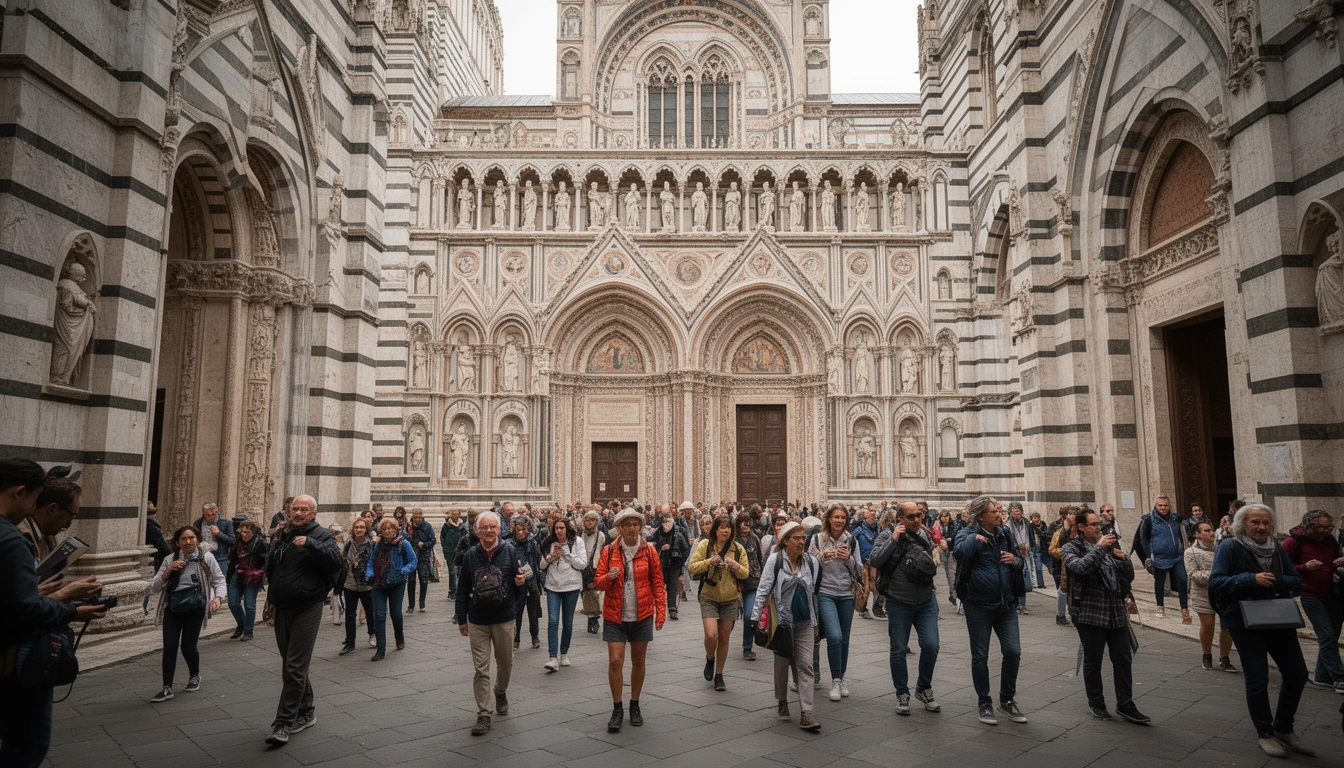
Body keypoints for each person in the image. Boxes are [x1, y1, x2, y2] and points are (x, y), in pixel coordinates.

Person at [0, 458, 106, 767]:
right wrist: (69, 605)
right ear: (20, 492)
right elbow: (24, 607)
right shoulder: (12, 539)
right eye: (34, 498)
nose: (31, 508)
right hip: (16, 652)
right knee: (29, 745)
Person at [1208, 503, 1312, 758]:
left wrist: (1275, 580)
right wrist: (1250, 579)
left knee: (1297, 674)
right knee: (1258, 678)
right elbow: (1216, 581)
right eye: (1255, 522)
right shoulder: (1230, 547)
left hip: (1277, 617)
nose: (1261, 527)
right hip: (1244, 620)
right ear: (1243, 524)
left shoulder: (1277, 547)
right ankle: (1265, 733)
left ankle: (1283, 728)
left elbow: (1296, 581)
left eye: (1265, 522)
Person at [262, 494, 343, 746]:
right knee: (290, 664)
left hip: (308, 606)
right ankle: (306, 711)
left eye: (304, 510)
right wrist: (271, 602)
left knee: (294, 667)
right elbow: (274, 570)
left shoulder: (322, 535)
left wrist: (311, 544)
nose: (298, 513)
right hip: (282, 606)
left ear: (314, 513)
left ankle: (283, 723)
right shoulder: (282, 535)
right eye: (295, 509)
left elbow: (336, 562)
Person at [1062, 508, 1148, 723]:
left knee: (1123, 658)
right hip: (1089, 611)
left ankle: (1125, 704)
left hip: (1115, 610)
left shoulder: (1109, 545)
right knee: (1093, 660)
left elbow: (1127, 578)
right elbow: (1081, 567)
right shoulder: (1071, 547)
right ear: (1081, 527)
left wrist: (1125, 560)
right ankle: (1097, 703)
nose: (1098, 528)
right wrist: (1100, 548)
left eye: (1099, 524)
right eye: (1093, 524)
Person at [954, 495, 1028, 726]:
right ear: (980, 516)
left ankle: (1007, 699)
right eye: (994, 511)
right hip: (978, 605)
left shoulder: (1004, 534)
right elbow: (958, 553)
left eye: (999, 510)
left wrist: (1015, 560)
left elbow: (1021, 561)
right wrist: (972, 540)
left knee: (1013, 651)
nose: (999, 514)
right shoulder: (967, 533)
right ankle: (984, 701)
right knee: (980, 656)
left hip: (1006, 604)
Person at [595, 508, 666, 732]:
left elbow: (658, 582)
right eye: (627, 525)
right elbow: (598, 582)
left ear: (641, 527)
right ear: (620, 528)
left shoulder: (649, 551)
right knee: (615, 661)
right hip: (615, 614)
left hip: (641, 614)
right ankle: (617, 707)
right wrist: (609, 577)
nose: (632, 528)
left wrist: (661, 611)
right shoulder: (609, 551)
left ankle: (634, 703)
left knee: (638, 660)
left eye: (636, 524)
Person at [869, 501, 942, 716]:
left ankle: (923, 687)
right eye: (911, 517)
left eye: (919, 515)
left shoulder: (925, 534)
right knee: (898, 649)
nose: (917, 520)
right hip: (899, 600)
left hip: (926, 600)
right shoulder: (887, 534)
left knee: (931, 645)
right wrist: (893, 539)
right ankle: (902, 692)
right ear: (899, 518)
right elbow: (875, 560)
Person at [456, 511, 524, 736]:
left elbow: (518, 584)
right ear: (477, 531)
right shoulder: (470, 555)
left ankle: (500, 690)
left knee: (505, 663)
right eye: (484, 527)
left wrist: (521, 582)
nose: (488, 531)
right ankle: (484, 713)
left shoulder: (509, 550)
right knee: (481, 668)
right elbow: (462, 588)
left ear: (499, 530)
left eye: (492, 527)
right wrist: (462, 618)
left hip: (504, 618)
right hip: (478, 620)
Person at [755, 521, 822, 732]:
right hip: (782, 623)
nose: (801, 542)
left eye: (803, 538)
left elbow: (813, 595)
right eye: (796, 538)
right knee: (782, 663)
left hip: (805, 622)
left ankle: (806, 713)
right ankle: (782, 700)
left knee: (806, 665)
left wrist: (816, 623)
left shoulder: (812, 562)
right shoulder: (775, 560)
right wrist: (754, 619)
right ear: (785, 541)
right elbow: (763, 589)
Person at [148, 524, 227, 703]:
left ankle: (194, 675)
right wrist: (169, 570)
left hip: (195, 607)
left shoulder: (206, 557)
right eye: (183, 539)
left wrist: (218, 598)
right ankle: (167, 687)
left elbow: (219, 579)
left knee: (188, 646)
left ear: (197, 540)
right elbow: (154, 587)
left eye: (191, 538)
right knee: (169, 646)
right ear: (177, 542)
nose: (188, 542)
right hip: (173, 607)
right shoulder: (169, 559)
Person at [1283, 510, 1344, 692]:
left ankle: (1322, 676)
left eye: (1330, 526)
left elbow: (1332, 561)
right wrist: (1304, 567)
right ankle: (1339, 677)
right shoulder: (1293, 542)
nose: (1327, 530)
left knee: (1331, 637)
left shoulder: (1329, 540)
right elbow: (1282, 567)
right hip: (1310, 595)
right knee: (1326, 635)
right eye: (1322, 527)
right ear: (1309, 525)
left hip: (1333, 594)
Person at [808, 503, 863, 702]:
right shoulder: (817, 539)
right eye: (836, 517)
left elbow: (859, 569)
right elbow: (809, 564)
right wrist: (822, 556)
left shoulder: (851, 540)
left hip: (847, 594)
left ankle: (840, 679)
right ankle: (835, 680)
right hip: (826, 592)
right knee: (835, 636)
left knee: (845, 639)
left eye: (843, 517)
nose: (839, 521)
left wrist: (848, 558)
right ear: (829, 519)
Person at [688, 514, 749, 691]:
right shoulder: (705, 545)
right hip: (709, 596)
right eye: (722, 527)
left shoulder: (737, 549)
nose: (725, 530)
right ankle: (710, 658)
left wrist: (736, 566)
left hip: (730, 598)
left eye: (728, 527)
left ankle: (719, 674)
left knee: (724, 638)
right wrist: (710, 561)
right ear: (715, 530)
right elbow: (692, 567)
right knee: (711, 635)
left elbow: (745, 572)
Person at [1185, 519, 1236, 672]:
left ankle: (1225, 657)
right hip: (1202, 593)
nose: (1211, 533)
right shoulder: (1190, 552)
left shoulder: (1221, 549)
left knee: (1227, 626)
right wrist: (1217, 575)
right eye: (1206, 530)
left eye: (1212, 530)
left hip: (1223, 592)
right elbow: (1193, 575)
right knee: (1208, 625)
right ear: (1197, 534)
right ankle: (1206, 655)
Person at [366, 518, 417, 661]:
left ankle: (399, 637)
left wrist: (403, 570)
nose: (387, 531)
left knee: (395, 614)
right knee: (379, 615)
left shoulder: (403, 544)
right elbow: (371, 561)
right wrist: (369, 574)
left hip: (397, 583)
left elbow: (413, 561)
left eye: (390, 528)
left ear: (396, 529)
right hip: (379, 583)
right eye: (384, 529)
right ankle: (381, 648)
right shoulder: (378, 544)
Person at [539, 517, 586, 671]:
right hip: (553, 586)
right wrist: (550, 557)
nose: (559, 531)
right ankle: (552, 657)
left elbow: (583, 564)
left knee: (567, 622)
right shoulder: (548, 543)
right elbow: (541, 565)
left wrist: (567, 554)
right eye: (556, 528)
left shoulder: (577, 541)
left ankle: (564, 653)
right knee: (552, 621)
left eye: (561, 528)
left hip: (571, 586)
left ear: (567, 529)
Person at [1138, 495, 1190, 623]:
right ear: (1156, 506)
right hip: (1159, 556)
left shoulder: (1176, 518)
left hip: (1177, 556)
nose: (1163, 508)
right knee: (1160, 582)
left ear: (1169, 505)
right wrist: (1149, 553)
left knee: (1183, 579)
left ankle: (1184, 608)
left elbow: (1182, 534)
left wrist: (1184, 548)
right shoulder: (1148, 519)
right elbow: (1143, 538)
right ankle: (1160, 606)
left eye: (1165, 505)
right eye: (1160, 505)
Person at [226, 520, 268, 641]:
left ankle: (248, 630)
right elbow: (232, 561)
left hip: (253, 575)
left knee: (249, 604)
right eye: (242, 532)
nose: (244, 535)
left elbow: (267, 560)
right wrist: (228, 579)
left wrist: (261, 571)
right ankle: (241, 624)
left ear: (253, 532)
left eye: (247, 532)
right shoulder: (238, 543)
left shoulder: (260, 543)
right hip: (238, 574)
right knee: (233, 602)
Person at [339, 518, 375, 655]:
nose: (359, 530)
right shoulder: (348, 543)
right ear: (353, 530)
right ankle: (350, 642)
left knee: (370, 612)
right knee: (350, 614)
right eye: (357, 527)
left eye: (362, 527)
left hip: (367, 584)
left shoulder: (371, 544)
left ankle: (372, 634)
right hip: (350, 584)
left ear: (366, 530)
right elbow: (343, 560)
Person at [509, 516, 542, 650]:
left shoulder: (532, 542)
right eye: (518, 530)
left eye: (523, 529)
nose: (521, 532)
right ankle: (516, 638)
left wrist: (538, 579)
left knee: (533, 611)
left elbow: (537, 559)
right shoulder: (510, 544)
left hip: (531, 579)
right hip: (517, 580)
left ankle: (535, 636)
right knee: (517, 611)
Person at [735, 512, 764, 660]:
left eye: (748, 521)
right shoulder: (733, 539)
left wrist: (764, 580)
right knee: (729, 619)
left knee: (749, 615)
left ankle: (747, 646)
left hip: (752, 582)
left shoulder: (754, 539)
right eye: (743, 521)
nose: (746, 525)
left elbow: (760, 559)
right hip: (735, 583)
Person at [650, 512, 689, 620]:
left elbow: (685, 549)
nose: (666, 524)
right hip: (661, 563)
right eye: (664, 522)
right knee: (659, 585)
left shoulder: (678, 533)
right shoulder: (657, 533)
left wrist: (681, 561)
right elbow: (651, 545)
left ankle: (672, 609)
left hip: (674, 563)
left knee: (672, 585)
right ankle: (658, 607)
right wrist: (660, 549)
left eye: (668, 521)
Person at [1004, 502, 1036, 615]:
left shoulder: (1026, 523)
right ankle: (1017, 603)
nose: (1015, 513)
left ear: (1021, 511)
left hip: (1026, 552)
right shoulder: (1007, 525)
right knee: (1016, 578)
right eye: (1012, 511)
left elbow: (1030, 537)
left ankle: (1022, 604)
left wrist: (1030, 547)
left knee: (1026, 577)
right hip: (1014, 553)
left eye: (1017, 510)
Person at [579, 510, 608, 634]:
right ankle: (590, 617)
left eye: (592, 520)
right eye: (587, 520)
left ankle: (594, 618)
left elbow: (603, 551)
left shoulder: (601, 535)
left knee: (594, 592)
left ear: (596, 522)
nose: (589, 522)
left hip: (596, 566)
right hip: (583, 566)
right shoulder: (581, 535)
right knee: (585, 592)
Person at [1047, 508, 1075, 626]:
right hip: (1061, 566)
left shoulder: (1079, 532)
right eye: (1070, 514)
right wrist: (1065, 553)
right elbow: (1052, 549)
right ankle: (1060, 615)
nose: (1072, 516)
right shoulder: (1059, 532)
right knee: (1062, 591)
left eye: (1074, 514)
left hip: (1076, 565)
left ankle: (1074, 614)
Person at [192, 502, 235, 576]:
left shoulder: (226, 522)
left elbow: (232, 540)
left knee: (220, 578)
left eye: (214, 514)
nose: (212, 517)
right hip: (202, 556)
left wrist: (219, 534)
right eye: (208, 515)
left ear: (216, 511)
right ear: (203, 513)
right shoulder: (197, 523)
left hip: (220, 557)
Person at [853, 506, 881, 620]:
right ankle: (863, 608)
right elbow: (852, 542)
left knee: (873, 585)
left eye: (875, 516)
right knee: (865, 586)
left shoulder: (877, 529)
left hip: (873, 562)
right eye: (871, 516)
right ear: (866, 518)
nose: (873, 518)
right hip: (863, 562)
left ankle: (875, 607)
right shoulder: (860, 530)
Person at [405, 509, 435, 612]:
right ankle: (411, 605)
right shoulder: (408, 527)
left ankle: (422, 601)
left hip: (423, 556)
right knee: (411, 580)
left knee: (423, 579)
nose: (417, 519)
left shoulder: (427, 526)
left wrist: (424, 545)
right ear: (412, 517)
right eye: (415, 517)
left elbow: (433, 540)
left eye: (419, 517)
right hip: (411, 556)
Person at [440, 509, 469, 597]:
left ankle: (458, 590)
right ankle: (452, 591)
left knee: (459, 571)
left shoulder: (462, 526)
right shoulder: (446, 526)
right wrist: (445, 547)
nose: (455, 516)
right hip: (449, 551)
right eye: (454, 514)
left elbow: (465, 537)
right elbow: (442, 537)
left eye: (457, 514)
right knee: (452, 571)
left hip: (459, 551)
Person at [1026, 511, 1048, 589]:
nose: (1035, 519)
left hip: (1042, 546)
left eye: (1036, 518)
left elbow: (1045, 533)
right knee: (1035, 565)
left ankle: (1040, 583)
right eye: (1033, 518)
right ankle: (1037, 583)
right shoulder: (1030, 526)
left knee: (1041, 565)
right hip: (1034, 546)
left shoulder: (1043, 524)